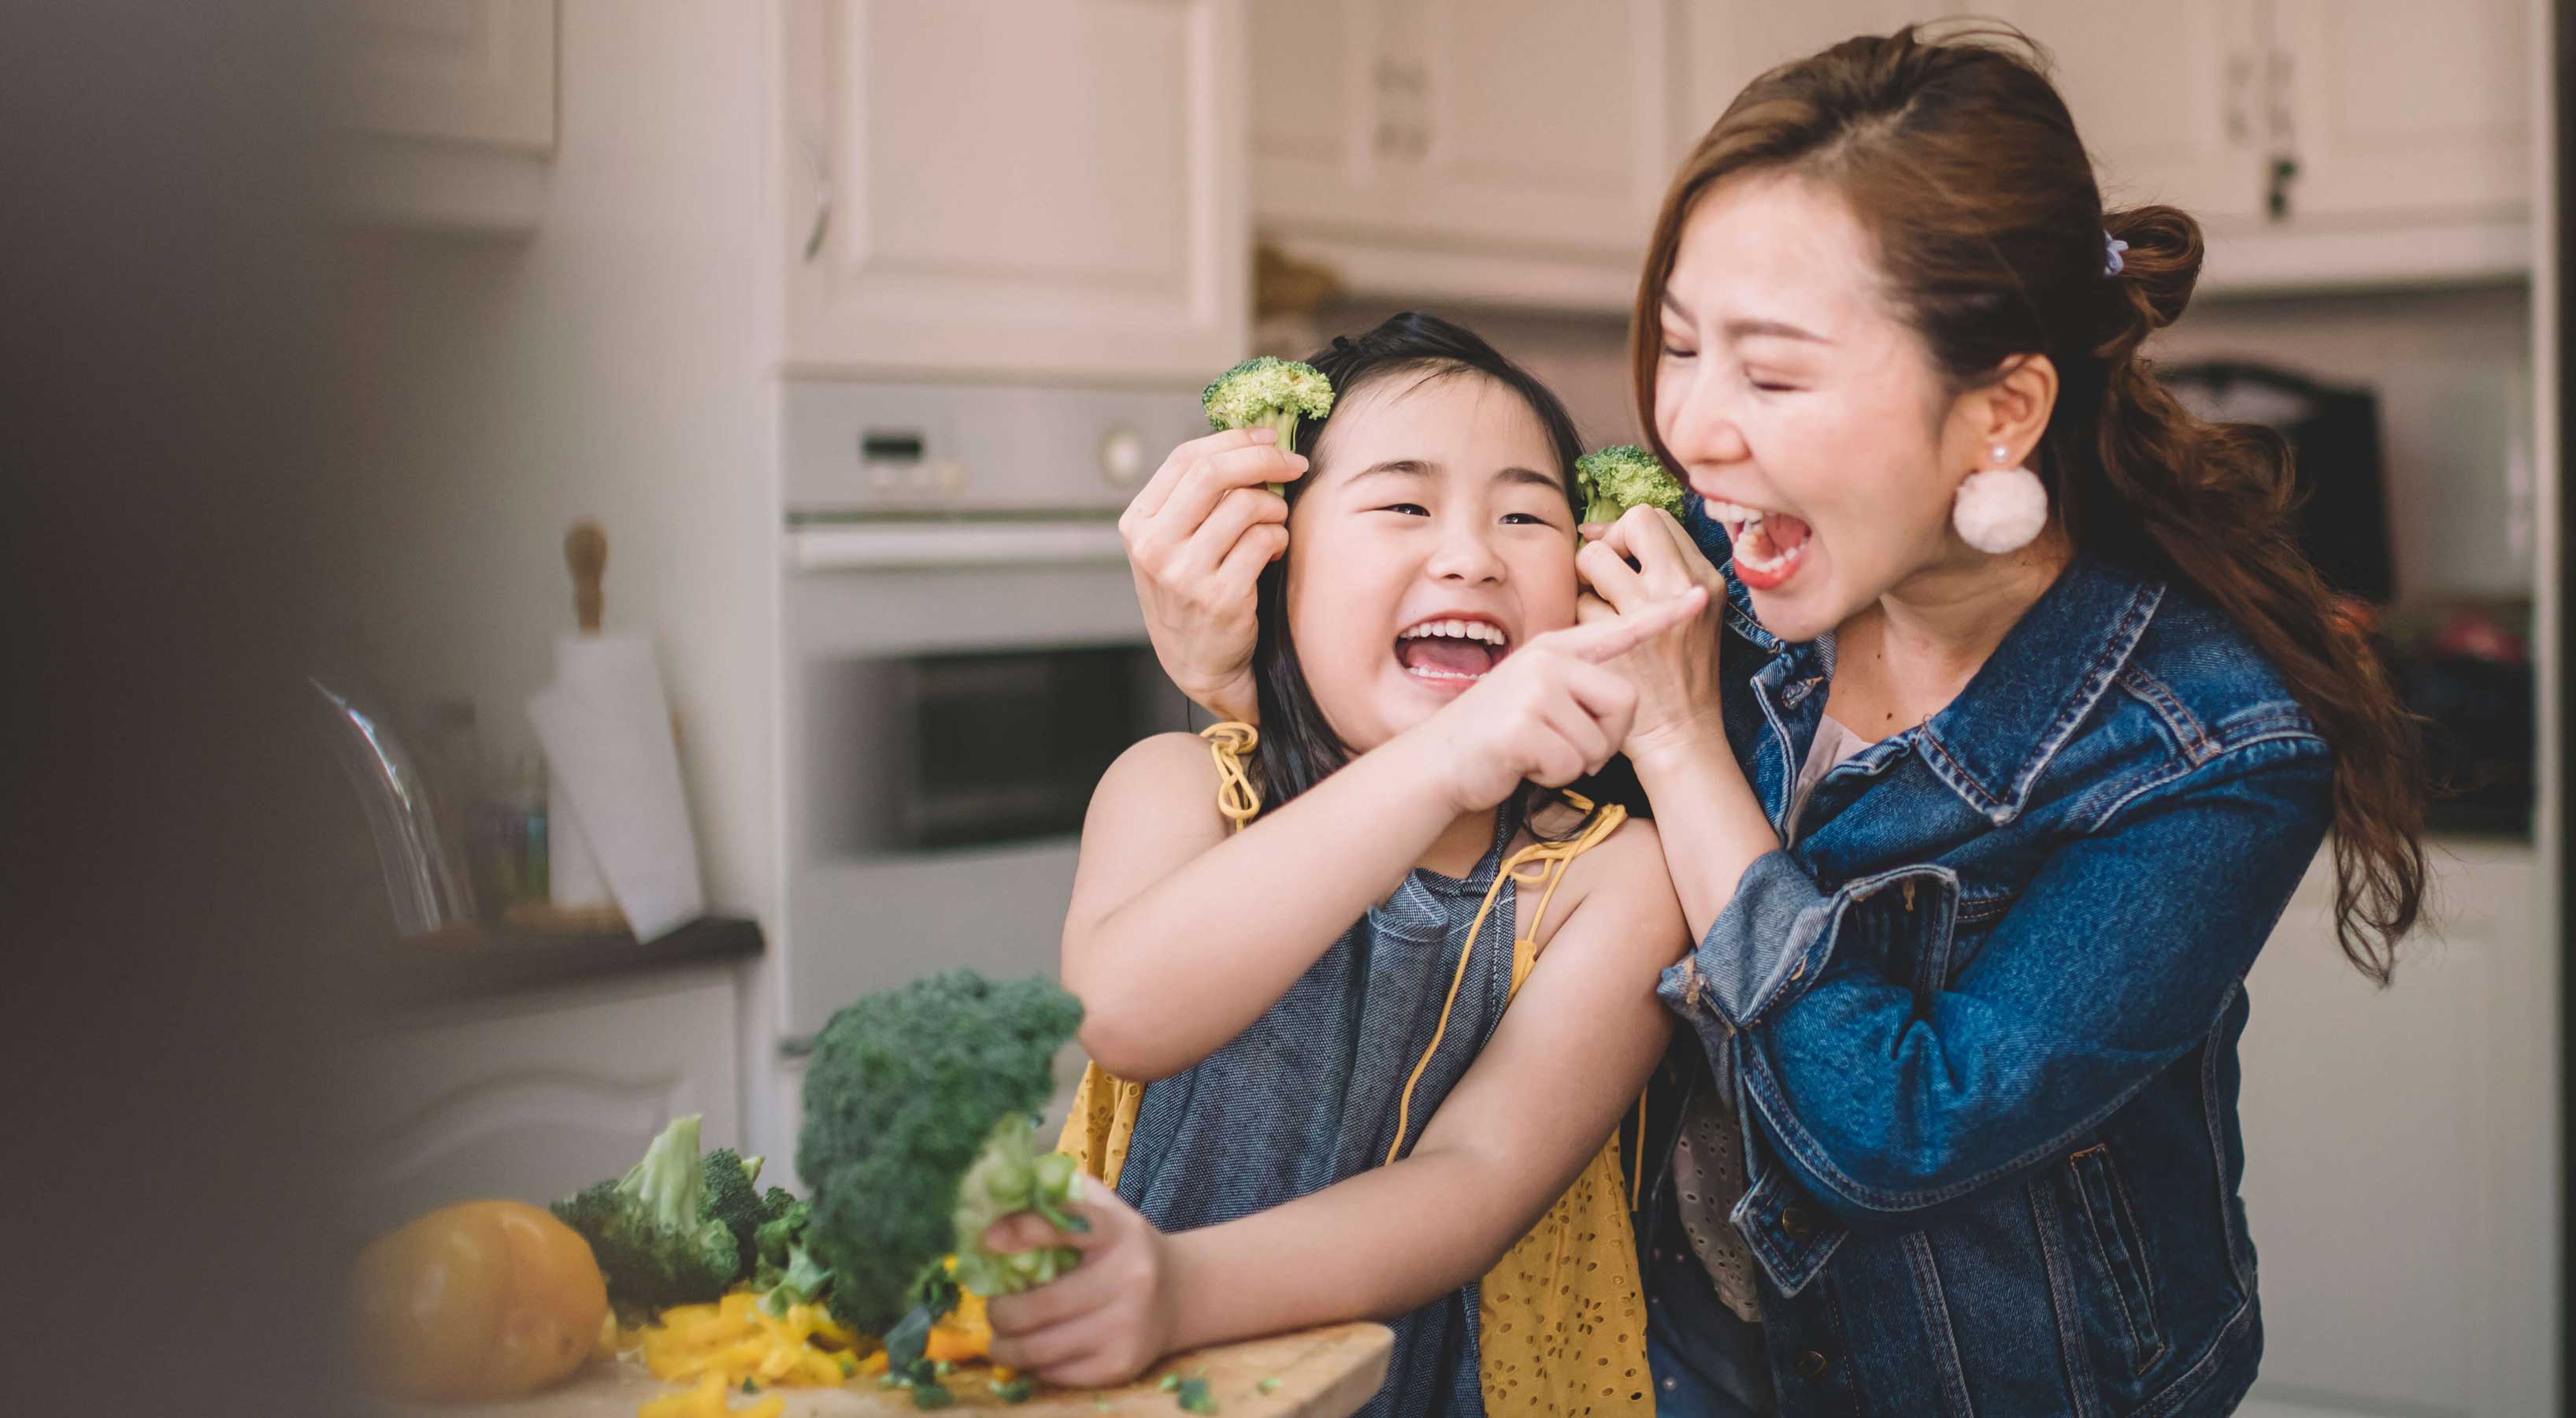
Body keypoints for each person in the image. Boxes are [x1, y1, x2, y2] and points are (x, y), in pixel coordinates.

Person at [1125, 26, 2430, 1416]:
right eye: (1680, 345)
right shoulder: (1710, 556)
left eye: (1776, 373)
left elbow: (1893, 1133)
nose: (1694, 430)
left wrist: (1685, 747)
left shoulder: (2208, 753)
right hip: (1684, 1365)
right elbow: (1447, 794)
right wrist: (1236, 671)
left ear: (2002, 412)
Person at [977, 313, 1707, 1416]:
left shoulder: (1621, 879)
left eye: (1525, 515)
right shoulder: (1178, 786)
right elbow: (1121, 1011)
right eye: (1404, 505)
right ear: (1276, 564)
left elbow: (1474, 1181)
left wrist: (1180, 1290)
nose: (1470, 553)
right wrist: (1443, 763)